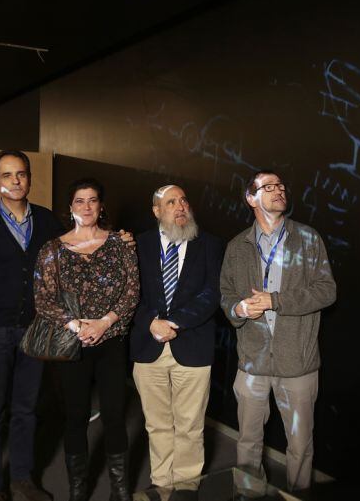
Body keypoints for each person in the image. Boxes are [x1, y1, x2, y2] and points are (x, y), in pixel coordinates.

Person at [220, 171, 336, 492]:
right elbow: (226, 296)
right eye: (268, 187)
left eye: (281, 186)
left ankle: (298, 496)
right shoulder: (237, 247)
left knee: (300, 448)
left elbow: (327, 291)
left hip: (297, 364)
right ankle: (249, 495)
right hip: (252, 364)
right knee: (248, 444)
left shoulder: (308, 239)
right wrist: (240, 309)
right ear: (251, 198)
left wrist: (276, 300)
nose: (278, 190)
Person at [0, 150, 64, 501]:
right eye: (7, 175)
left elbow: (73, 261)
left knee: (26, 409)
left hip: (34, 330)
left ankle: (23, 478)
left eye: (21, 174)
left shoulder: (49, 221)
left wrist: (118, 241)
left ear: (29, 178)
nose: (16, 181)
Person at [33, 178, 139, 501]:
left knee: (114, 413)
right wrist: (77, 325)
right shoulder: (52, 250)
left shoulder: (121, 244)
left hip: (111, 341)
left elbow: (132, 292)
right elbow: (43, 299)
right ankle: (79, 487)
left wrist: (104, 323)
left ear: (100, 205)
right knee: (76, 416)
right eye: (80, 201)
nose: (87, 206)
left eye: (93, 200)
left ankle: (120, 489)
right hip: (72, 343)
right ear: (70, 207)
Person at [131, 185, 222, 490]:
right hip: (148, 347)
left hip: (193, 346)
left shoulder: (209, 244)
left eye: (184, 200)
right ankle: (160, 487)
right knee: (157, 426)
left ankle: (184, 491)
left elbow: (212, 294)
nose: (181, 206)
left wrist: (173, 322)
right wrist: (150, 323)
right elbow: (129, 294)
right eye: (171, 202)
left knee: (190, 427)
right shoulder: (137, 245)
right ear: (157, 211)